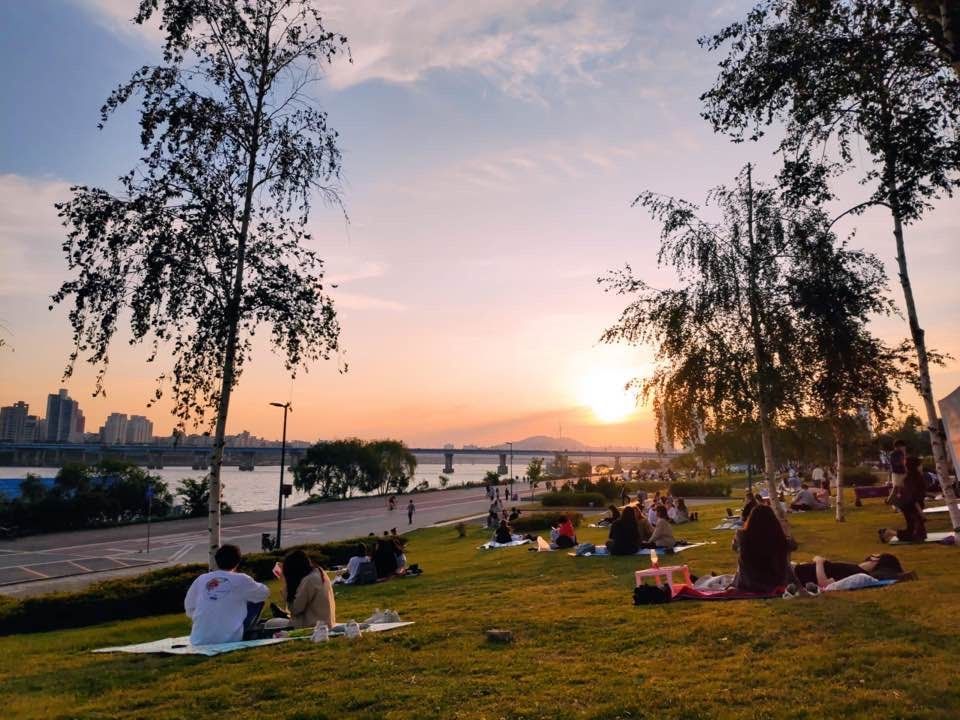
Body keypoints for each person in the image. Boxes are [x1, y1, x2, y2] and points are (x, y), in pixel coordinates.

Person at [184, 544, 269, 645]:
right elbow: (264, 593)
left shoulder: (201, 579)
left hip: (198, 639)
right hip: (230, 639)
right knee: (256, 600)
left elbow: (189, 607)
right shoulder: (242, 579)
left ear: (216, 561)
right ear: (238, 562)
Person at [731, 504, 794, 593]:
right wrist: (787, 534)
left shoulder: (742, 535)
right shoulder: (778, 536)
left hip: (749, 582)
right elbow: (793, 546)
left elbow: (734, 548)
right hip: (775, 581)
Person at [279, 550, 336, 629]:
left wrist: (286, 588)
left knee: (272, 624)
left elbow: (296, 609)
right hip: (325, 624)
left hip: (312, 627)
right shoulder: (320, 573)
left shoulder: (309, 580)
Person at [880, 456, 928, 543]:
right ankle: (888, 532)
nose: (921, 467)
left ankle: (888, 532)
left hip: (913, 505)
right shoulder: (911, 479)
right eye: (920, 465)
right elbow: (913, 497)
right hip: (910, 506)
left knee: (920, 534)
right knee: (916, 535)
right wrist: (920, 512)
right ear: (915, 466)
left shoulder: (916, 477)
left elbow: (919, 494)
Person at [793, 553, 909, 589]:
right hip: (795, 570)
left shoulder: (856, 573)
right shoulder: (854, 569)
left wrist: (819, 562)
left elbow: (824, 584)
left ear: (875, 561)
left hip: (793, 574)